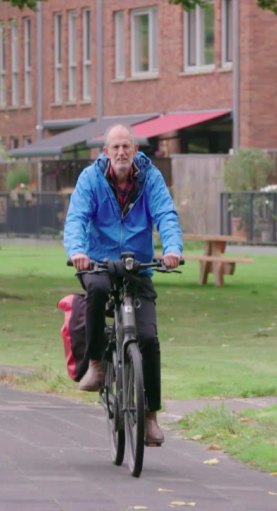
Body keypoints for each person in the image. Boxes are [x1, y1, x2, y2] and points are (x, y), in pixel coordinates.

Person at [63, 124, 183, 445]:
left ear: (135, 150)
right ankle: (98, 365)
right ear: (105, 152)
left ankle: (149, 417)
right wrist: (77, 251)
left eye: (126, 147)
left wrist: (172, 249)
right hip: (98, 261)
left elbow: (165, 215)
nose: (120, 153)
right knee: (98, 290)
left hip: (137, 265)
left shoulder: (150, 178)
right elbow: (76, 218)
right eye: (114, 147)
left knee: (147, 338)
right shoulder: (90, 179)